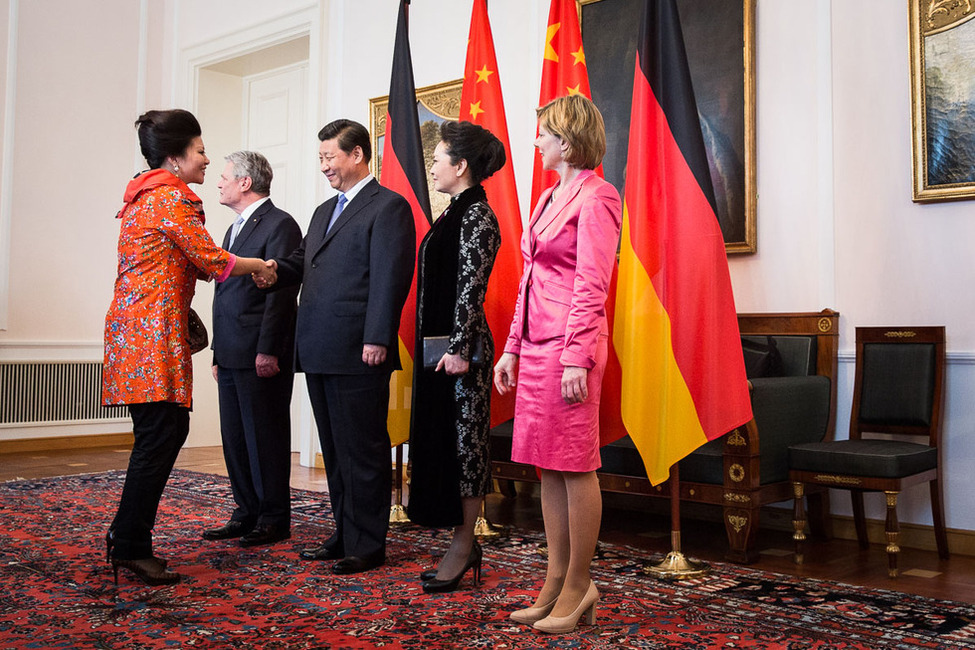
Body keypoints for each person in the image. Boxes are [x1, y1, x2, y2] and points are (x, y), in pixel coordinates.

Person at [103, 109, 277, 586]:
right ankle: (131, 543)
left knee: (158, 433)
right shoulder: (172, 199)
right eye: (200, 151)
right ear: (177, 158)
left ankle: (127, 535)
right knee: (162, 434)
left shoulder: (144, 196)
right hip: (150, 333)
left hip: (134, 333)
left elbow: (195, 263)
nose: (206, 160)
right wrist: (260, 265)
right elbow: (212, 261)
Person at [261, 119, 415, 575]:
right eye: (321, 157)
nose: (324, 165)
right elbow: (302, 262)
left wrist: (377, 337)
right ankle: (345, 533)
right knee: (334, 446)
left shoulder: (388, 206)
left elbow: (390, 278)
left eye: (330, 156)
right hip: (320, 346)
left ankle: (368, 543)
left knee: (362, 449)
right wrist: (269, 268)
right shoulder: (323, 211)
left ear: (358, 155)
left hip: (358, 348)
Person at [493, 95, 622, 633]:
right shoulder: (549, 197)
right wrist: (512, 347)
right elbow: (530, 280)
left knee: (575, 462)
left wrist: (575, 358)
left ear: (566, 141)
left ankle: (580, 584)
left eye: (543, 133)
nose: (536, 142)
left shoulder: (599, 197)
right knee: (547, 465)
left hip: (573, 350)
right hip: (538, 345)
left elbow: (593, 284)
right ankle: (554, 580)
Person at [407, 121, 505, 593]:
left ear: (460, 165)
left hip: (461, 355)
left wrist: (461, 349)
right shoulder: (453, 213)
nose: (433, 165)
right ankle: (459, 539)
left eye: (439, 157)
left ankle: (465, 544)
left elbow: (471, 288)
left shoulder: (478, 214)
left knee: (466, 449)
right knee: (447, 444)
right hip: (440, 353)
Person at [203, 151, 302, 548]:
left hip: (260, 352)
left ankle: (273, 518)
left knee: (265, 437)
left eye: (225, 176)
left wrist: (268, 350)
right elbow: (227, 294)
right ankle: (246, 512)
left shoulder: (281, 224)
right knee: (236, 439)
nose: (219, 182)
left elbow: (281, 294)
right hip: (230, 351)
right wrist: (216, 350)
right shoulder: (234, 230)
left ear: (246, 182)